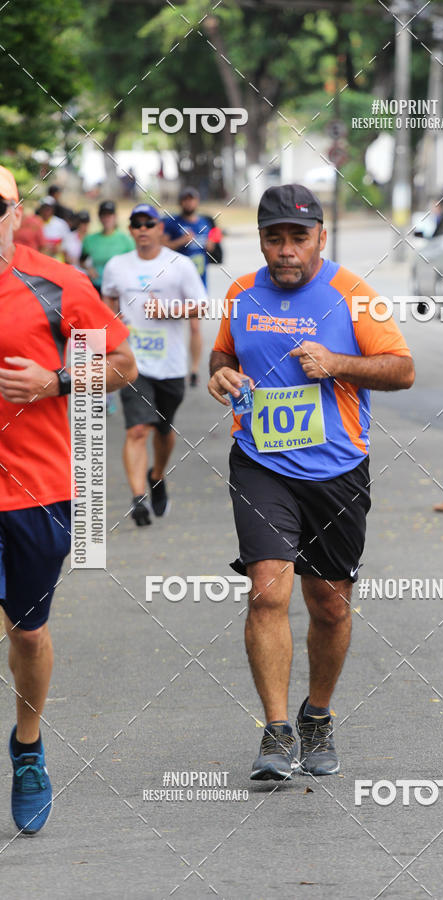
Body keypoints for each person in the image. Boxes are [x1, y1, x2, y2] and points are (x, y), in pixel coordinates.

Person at [207, 184, 414, 781]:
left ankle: (316, 714)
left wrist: (339, 363)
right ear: (263, 240)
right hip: (261, 463)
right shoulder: (242, 293)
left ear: (321, 237)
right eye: (275, 237)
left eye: (299, 237)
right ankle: (275, 733)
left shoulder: (354, 295)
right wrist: (221, 377)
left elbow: (402, 369)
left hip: (337, 471)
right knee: (268, 591)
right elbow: (222, 358)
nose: (286, 249)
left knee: (329, 604)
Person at [0, 165, 137, 835]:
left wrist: (55, 381)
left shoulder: (56, 284)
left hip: (35, 492)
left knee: (27, 632)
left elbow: (122, 365)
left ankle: (27, 747)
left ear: (17, 213)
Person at [102, 203, 206, 526]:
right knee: (136, 429)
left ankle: (157, 475)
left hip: (171, 365)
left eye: (149, 223)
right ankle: (137, 499)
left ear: (161, 228)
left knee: (164, 430)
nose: (143, 229)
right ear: (130, 230)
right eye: (137, 224)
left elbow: (202, 306)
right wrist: (112, 324)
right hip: (133, 362)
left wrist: (171, 311)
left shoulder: (180, 265)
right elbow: (108, 298)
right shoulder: (117, 266)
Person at [162, 186, 223, 388]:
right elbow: (161, 247)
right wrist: (181, 241)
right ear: (181, 202)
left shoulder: (204, 222)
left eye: (192, 199)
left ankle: (194, 370)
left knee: (195, 326)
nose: (189, 203)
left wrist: (212, 245)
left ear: (196, 201)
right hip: (175, 283)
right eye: (185, 199)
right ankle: (171, 365)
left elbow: (213, 238)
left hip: (198, 282)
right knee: (172, 324)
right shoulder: (172, 223)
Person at [80, 199, 135, 294]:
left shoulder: (126, 240)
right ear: (99, 217)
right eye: (103, 215)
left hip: (118, 288)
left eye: (109, 215)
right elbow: (82, 260)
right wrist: (89, 269)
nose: (107, 219)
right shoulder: (90, 239)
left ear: (115, 217)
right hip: (96, 286)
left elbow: (134, 262)